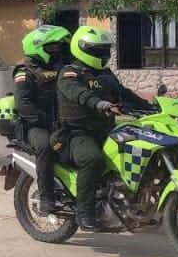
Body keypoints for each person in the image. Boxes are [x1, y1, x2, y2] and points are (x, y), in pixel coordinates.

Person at [56, 26, 154, 231]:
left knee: (139, 151)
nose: (103, 55)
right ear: (83, 49)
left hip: (106, 131)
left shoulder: (106, 73)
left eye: (105, 50)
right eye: (97, 50)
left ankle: (137, 206)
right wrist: (99, 104)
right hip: (77, 133)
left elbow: (125, 94)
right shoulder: (69, 73)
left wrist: (151, 106)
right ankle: (84, 212)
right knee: (93, 159)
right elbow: (79, 94)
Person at [14, 25, 71, 215]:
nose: (56, 51)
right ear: (37, 47)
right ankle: (46, 197)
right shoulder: (25, 72)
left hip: (60, 122)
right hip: (34, 126)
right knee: (45, 146)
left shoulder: (61, 68)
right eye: (51, 48)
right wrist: (48, 121)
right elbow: (23, 105)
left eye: (57, 47)